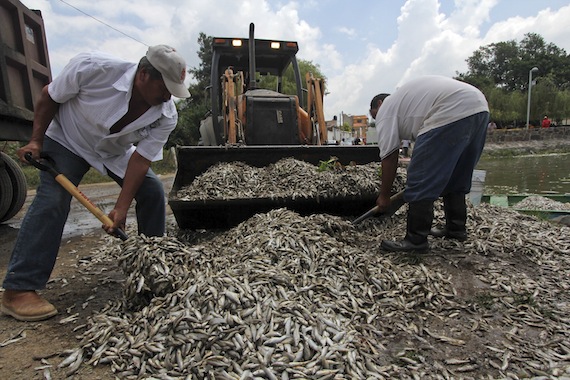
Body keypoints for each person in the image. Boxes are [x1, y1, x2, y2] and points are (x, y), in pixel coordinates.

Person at [1, 45, 191, 321]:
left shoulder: (166, 113)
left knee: (151, 191)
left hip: (112, 152)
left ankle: (152, 269)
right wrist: (36, 141)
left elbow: (140, 160)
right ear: (144, 75)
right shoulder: (93, 68)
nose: (167, 96)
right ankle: (18, 290)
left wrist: (121, 208)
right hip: (68, 138)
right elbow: (49, 97)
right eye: (165, 87)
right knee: (53, 200)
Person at [369, 75, 489, 253]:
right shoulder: (407, 100)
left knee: (420, 176)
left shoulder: (386, 109)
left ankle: (415, 240)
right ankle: (456, 229)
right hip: (479, 106)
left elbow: (389, 156)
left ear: (379, 103)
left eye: (374, 116)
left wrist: (384, 196)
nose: (376, 121)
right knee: (457, 174)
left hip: (450, 109)